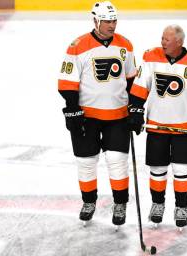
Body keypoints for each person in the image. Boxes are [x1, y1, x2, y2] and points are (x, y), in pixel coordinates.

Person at [127, 25, 187, 229]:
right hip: (157, 125)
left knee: (182, 170)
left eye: (167, 39)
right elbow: (141, 85)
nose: (163, 42)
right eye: (162, 38)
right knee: (157, 169)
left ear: (179, 42)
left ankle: (182, 208)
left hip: (185, 127)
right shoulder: (151, 56)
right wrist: (135, 109)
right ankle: (157, 204)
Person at [58, 1, 137, 227]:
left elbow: (132, 80)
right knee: (86, 162)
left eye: (114, 20)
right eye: (107, 21)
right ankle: (88, 201)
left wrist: (135, 106)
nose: (112, 25)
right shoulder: (78, 46)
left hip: (118, 115)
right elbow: (66, 82)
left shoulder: (126, 45)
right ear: (95, 21)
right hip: (87, 116)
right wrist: (72, 109)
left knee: (117, 161)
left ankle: (120, 203)